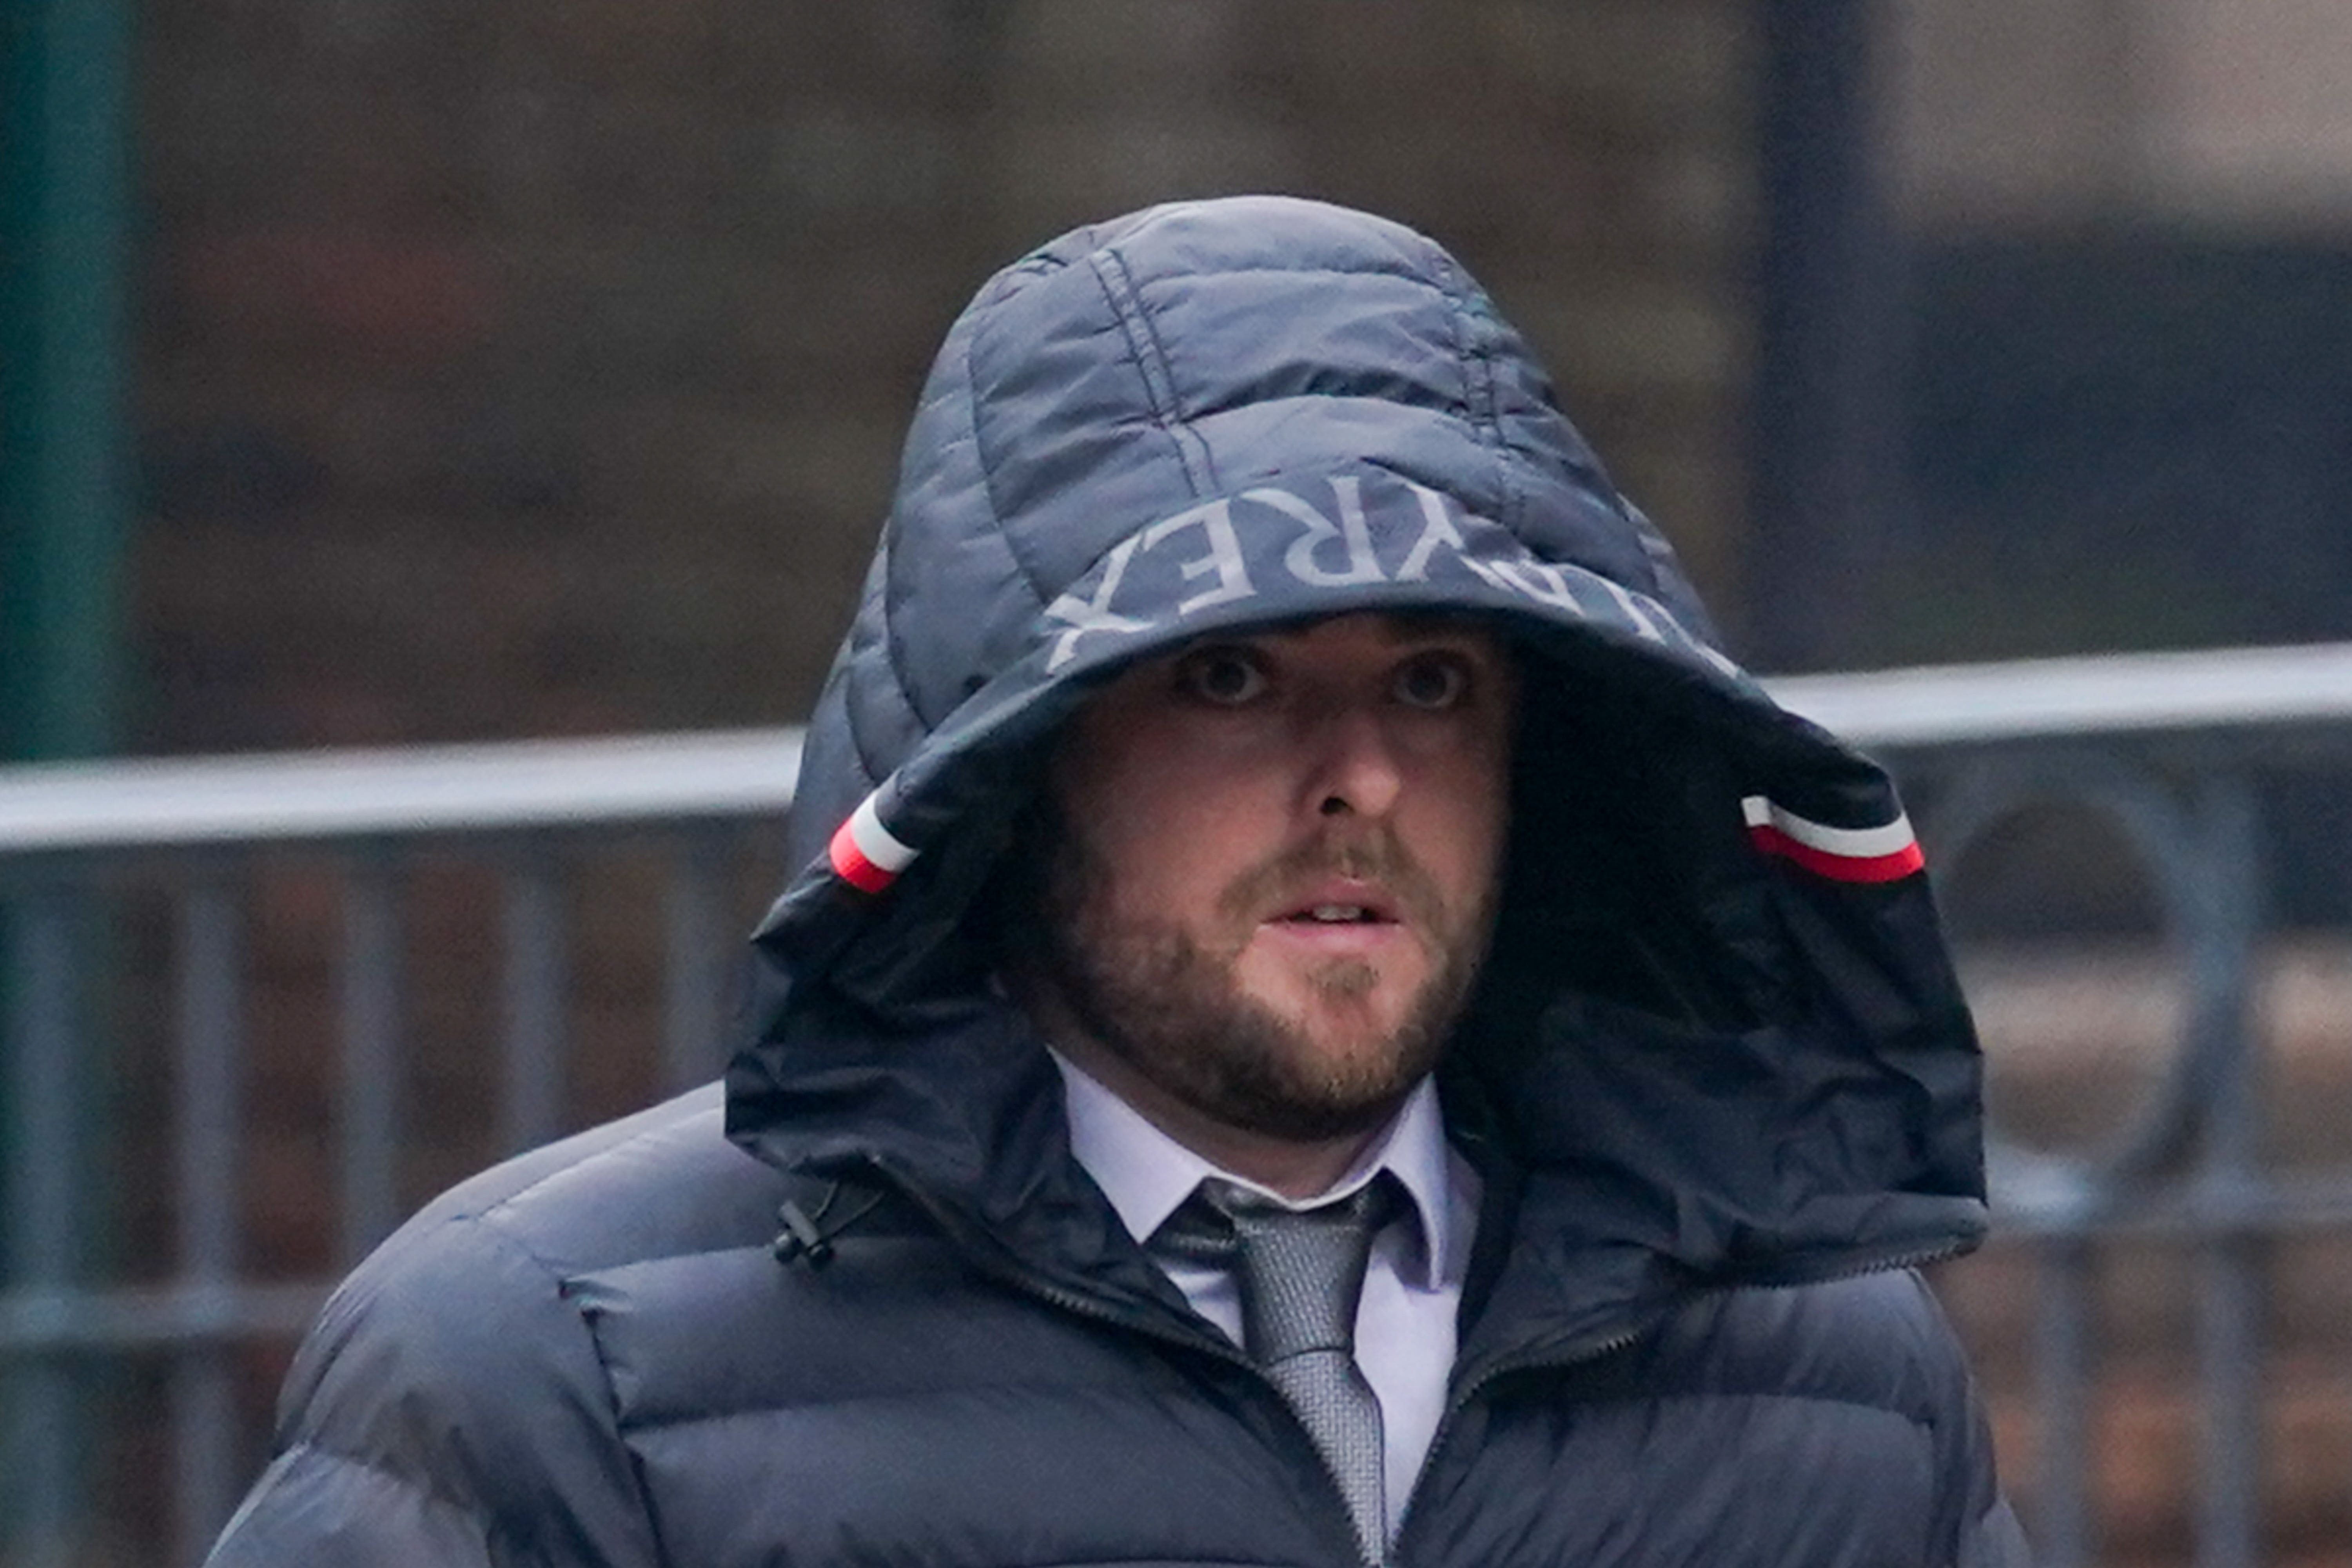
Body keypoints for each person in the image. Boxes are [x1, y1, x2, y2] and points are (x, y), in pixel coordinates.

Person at [208, 196, 2027, 1567]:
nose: (1361, 775)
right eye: (1229, 677)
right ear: (1019, 759)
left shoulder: (1830, 1373)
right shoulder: (554, 1369)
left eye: (1436, 681)